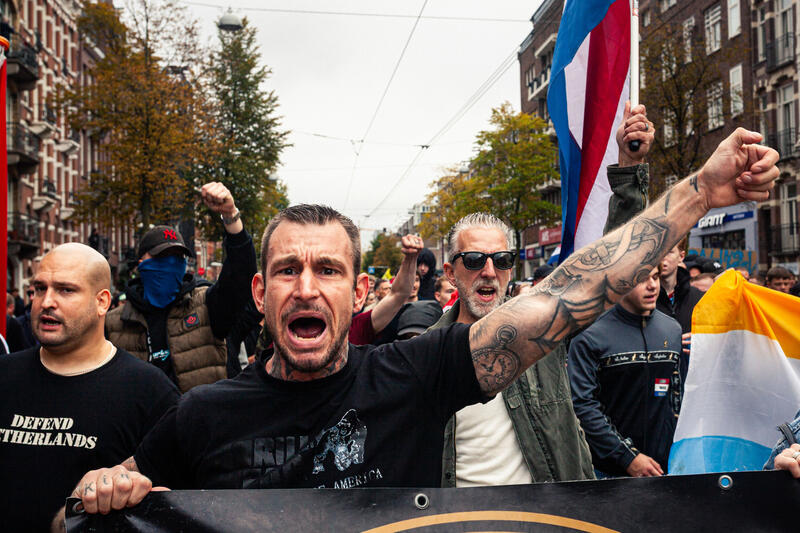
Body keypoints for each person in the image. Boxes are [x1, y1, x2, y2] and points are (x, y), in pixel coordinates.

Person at [71, 126, 779, 512]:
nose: (307, 287)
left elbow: (565, 294)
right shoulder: (200, 415)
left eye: (329, 271)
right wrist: (103, 490)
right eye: (289, 270)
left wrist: (699, 191)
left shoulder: (418, 371)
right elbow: (75, 511)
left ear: (358, 295)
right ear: (259, 292)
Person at [0, 244, 179, 531]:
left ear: (102, 302)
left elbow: (172, 507)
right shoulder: (4, 374)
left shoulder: (149, 392)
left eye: (65, 290)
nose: (46, 302)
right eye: (39, 288)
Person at [432, 213, 594, 485]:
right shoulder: (429, 354)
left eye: (502, 260)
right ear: (450, 274)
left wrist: (626, 182)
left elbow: (608, 273)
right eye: (474, 260)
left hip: (548, 519)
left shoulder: (541, 325)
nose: (489, 272)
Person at [105, 182, 257, 393]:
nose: (169, 265)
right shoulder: (113, 323)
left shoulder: (207, 307)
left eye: (176, 258)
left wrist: (230, 215)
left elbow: (241, 276)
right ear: (141, 263)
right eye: (161, 257)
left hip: (199, 423)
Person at [569, 266, 683, 477]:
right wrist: (627, 457)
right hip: (607, 472)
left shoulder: (672, 330)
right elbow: (583, 405)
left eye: (656, 277)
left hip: (664, 470)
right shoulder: (589, 336)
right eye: (641, 279)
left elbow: (677, 399)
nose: (652, 286)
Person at [348, 234, 422, 345]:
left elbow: (398, 294)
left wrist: (411, 258)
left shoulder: (356, 329)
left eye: (329, 272)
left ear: (358, 294)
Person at [656, 236, 703, 334]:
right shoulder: (643, 298)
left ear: (681, 257)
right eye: (658, 252)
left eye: (669, 252)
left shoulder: (699, 298)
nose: (663, 258)